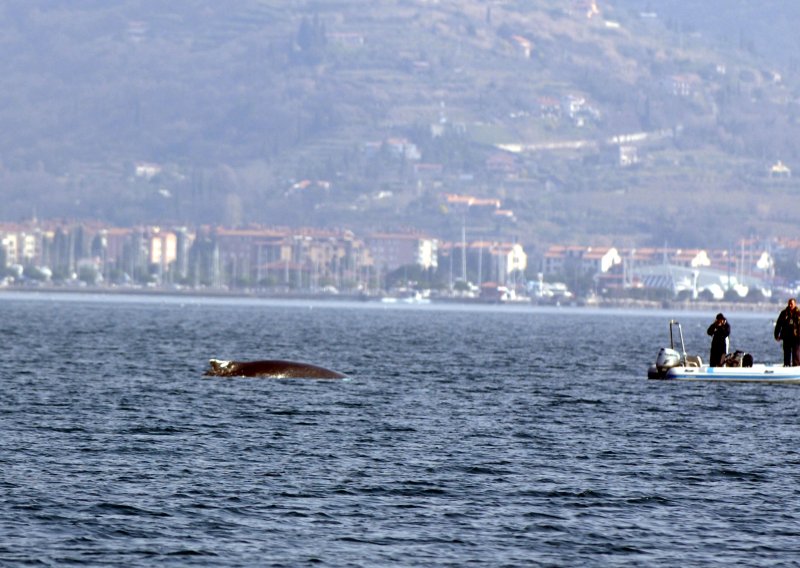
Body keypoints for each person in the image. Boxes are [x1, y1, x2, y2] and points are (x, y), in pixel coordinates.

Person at [774, 298, 800, 366]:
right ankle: (786, 366)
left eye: (791, 304)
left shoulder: (798, 313)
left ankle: (796, 367)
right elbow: (778, 324)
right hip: (786, 337)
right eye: (789, 304)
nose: (790, 305)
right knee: (786, 355)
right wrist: (776, 335)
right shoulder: (784, 313)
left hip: (796, 337)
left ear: (795, 304)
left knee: (796, 355)